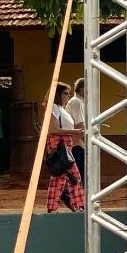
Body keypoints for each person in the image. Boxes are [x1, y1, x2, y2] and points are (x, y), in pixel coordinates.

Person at [43, 82, 84, 213]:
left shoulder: (60, 109)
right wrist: (74, 132)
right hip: (59, 145)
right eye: (66, 93)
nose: (68, 96)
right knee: (73, 175)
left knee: (59, 177)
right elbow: (52, 128)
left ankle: (53, 206)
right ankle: (77, 204)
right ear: (58, 95)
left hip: (65, 144)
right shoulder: (55, 107)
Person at [66, 78, 86, 186]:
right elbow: (80, 125)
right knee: (80, 176)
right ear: (82, 89)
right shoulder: (77, 103)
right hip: (78, 145)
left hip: (79, 144)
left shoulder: (79, 102)